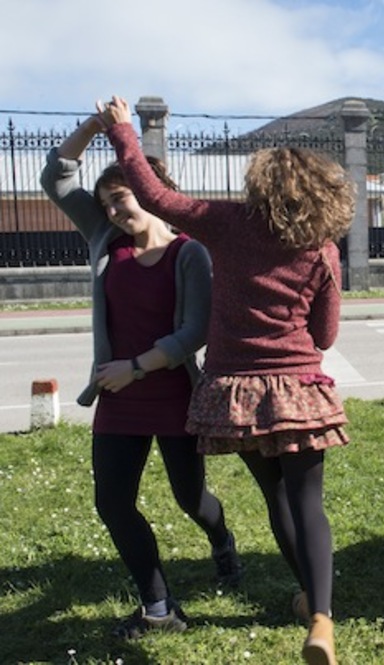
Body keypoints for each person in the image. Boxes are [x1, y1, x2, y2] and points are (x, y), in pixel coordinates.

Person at [99, 96, 353, 665]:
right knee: (308, 502)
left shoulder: (228, 223)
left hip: (236, 389)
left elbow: (159, 197)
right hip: (297, 388)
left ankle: (310, 597)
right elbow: (327, 333)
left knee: (276, 495)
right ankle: (320, 617)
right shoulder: (322, 250)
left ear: (260, 186)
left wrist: (123, 134)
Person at [39, 115, 241, 639]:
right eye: (105, 202)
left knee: (190, 499)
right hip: (117, 398)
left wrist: (135, 368)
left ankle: (221, 540)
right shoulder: (105, 238)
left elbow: (195, 330)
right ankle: (158, 606)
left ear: (151, 193)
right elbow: (56, 178)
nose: (111, 209)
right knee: (111, 502)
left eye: (121, 197)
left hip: (171, 395)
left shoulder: (189, 252)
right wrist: (93, 126)